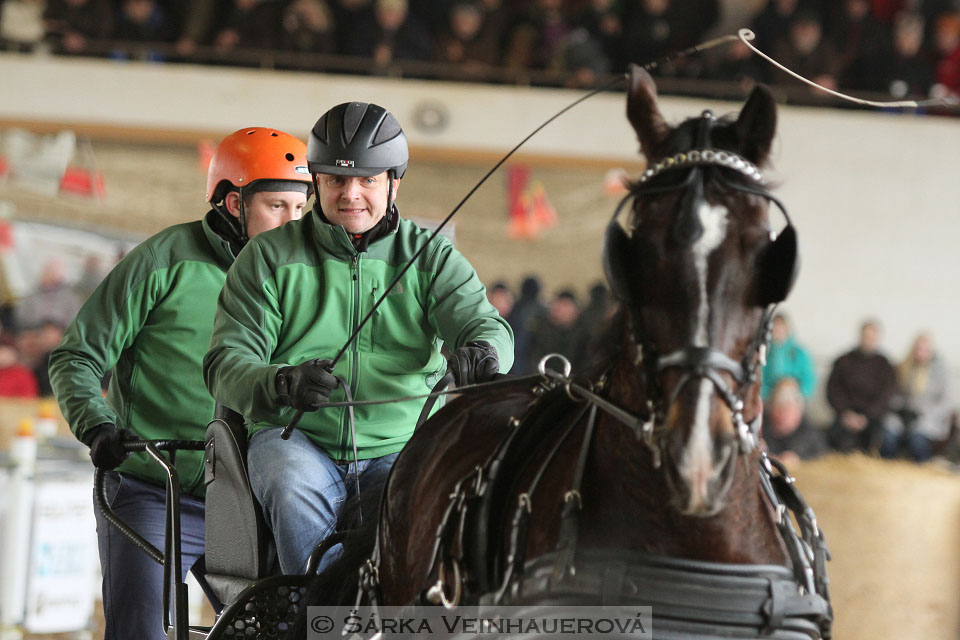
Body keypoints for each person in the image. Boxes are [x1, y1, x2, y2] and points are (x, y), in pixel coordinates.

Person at [203, 101, 514, 576]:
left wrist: (485, 353)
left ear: (393, 181)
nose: (351, 194)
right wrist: (282, 383)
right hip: (296, 439)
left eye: (368, 180)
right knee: (289, 483)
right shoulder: (266, 256)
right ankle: (315, 610)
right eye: (336, 180)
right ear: (318, 182)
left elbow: (485, 326)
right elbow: (226, 364)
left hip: (404, 443)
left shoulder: (431, 257)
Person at [48, 127, 313, 640]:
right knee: (141, 630)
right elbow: (77, 355)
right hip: (152, 486)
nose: (292, 224)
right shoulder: (165, 259)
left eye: (302, 210)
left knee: (278, 630)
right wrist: (96, 425)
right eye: (278, 207)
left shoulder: (301, 277)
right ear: (235, 202)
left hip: (244, 497)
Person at [825, 319, 897, 454]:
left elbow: (887, 395)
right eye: (866, 336)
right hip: (845, 415)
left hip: (873, 418)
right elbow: (833, 390)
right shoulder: (843, 361)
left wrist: (867, 416)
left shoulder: (884, 365)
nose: (868, 340)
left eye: (872, 337)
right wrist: (846, 413)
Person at [880, 332, 954, 462]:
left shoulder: (941, 370)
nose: (921, 353)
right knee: (888, 436)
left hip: (927, 419)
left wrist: (924, 414)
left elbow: (946, 402)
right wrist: (900, 410)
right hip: (902, 416)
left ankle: (922, 467)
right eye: (918, 348)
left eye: (925, 349)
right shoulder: (903, 367)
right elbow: (893, 395)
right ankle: (887, 467)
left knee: (917, 441)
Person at [762, 377, 828, 467]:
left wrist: (799, 459)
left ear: (799, 412)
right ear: (771, 409)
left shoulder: (811, 436)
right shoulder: (760, 430)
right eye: (779, 408)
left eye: (788, 409)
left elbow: (822, 459)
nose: (783, 415)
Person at [761, 312, 817, 402]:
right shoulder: (764, 353)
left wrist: (793, 388)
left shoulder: (799, 353)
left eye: (780, 328)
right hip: (770, 401)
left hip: (796, 399)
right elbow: (759, 382)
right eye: (775, 329)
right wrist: (774, 392)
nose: (778, 332)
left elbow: (808, 382)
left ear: (787, 329)